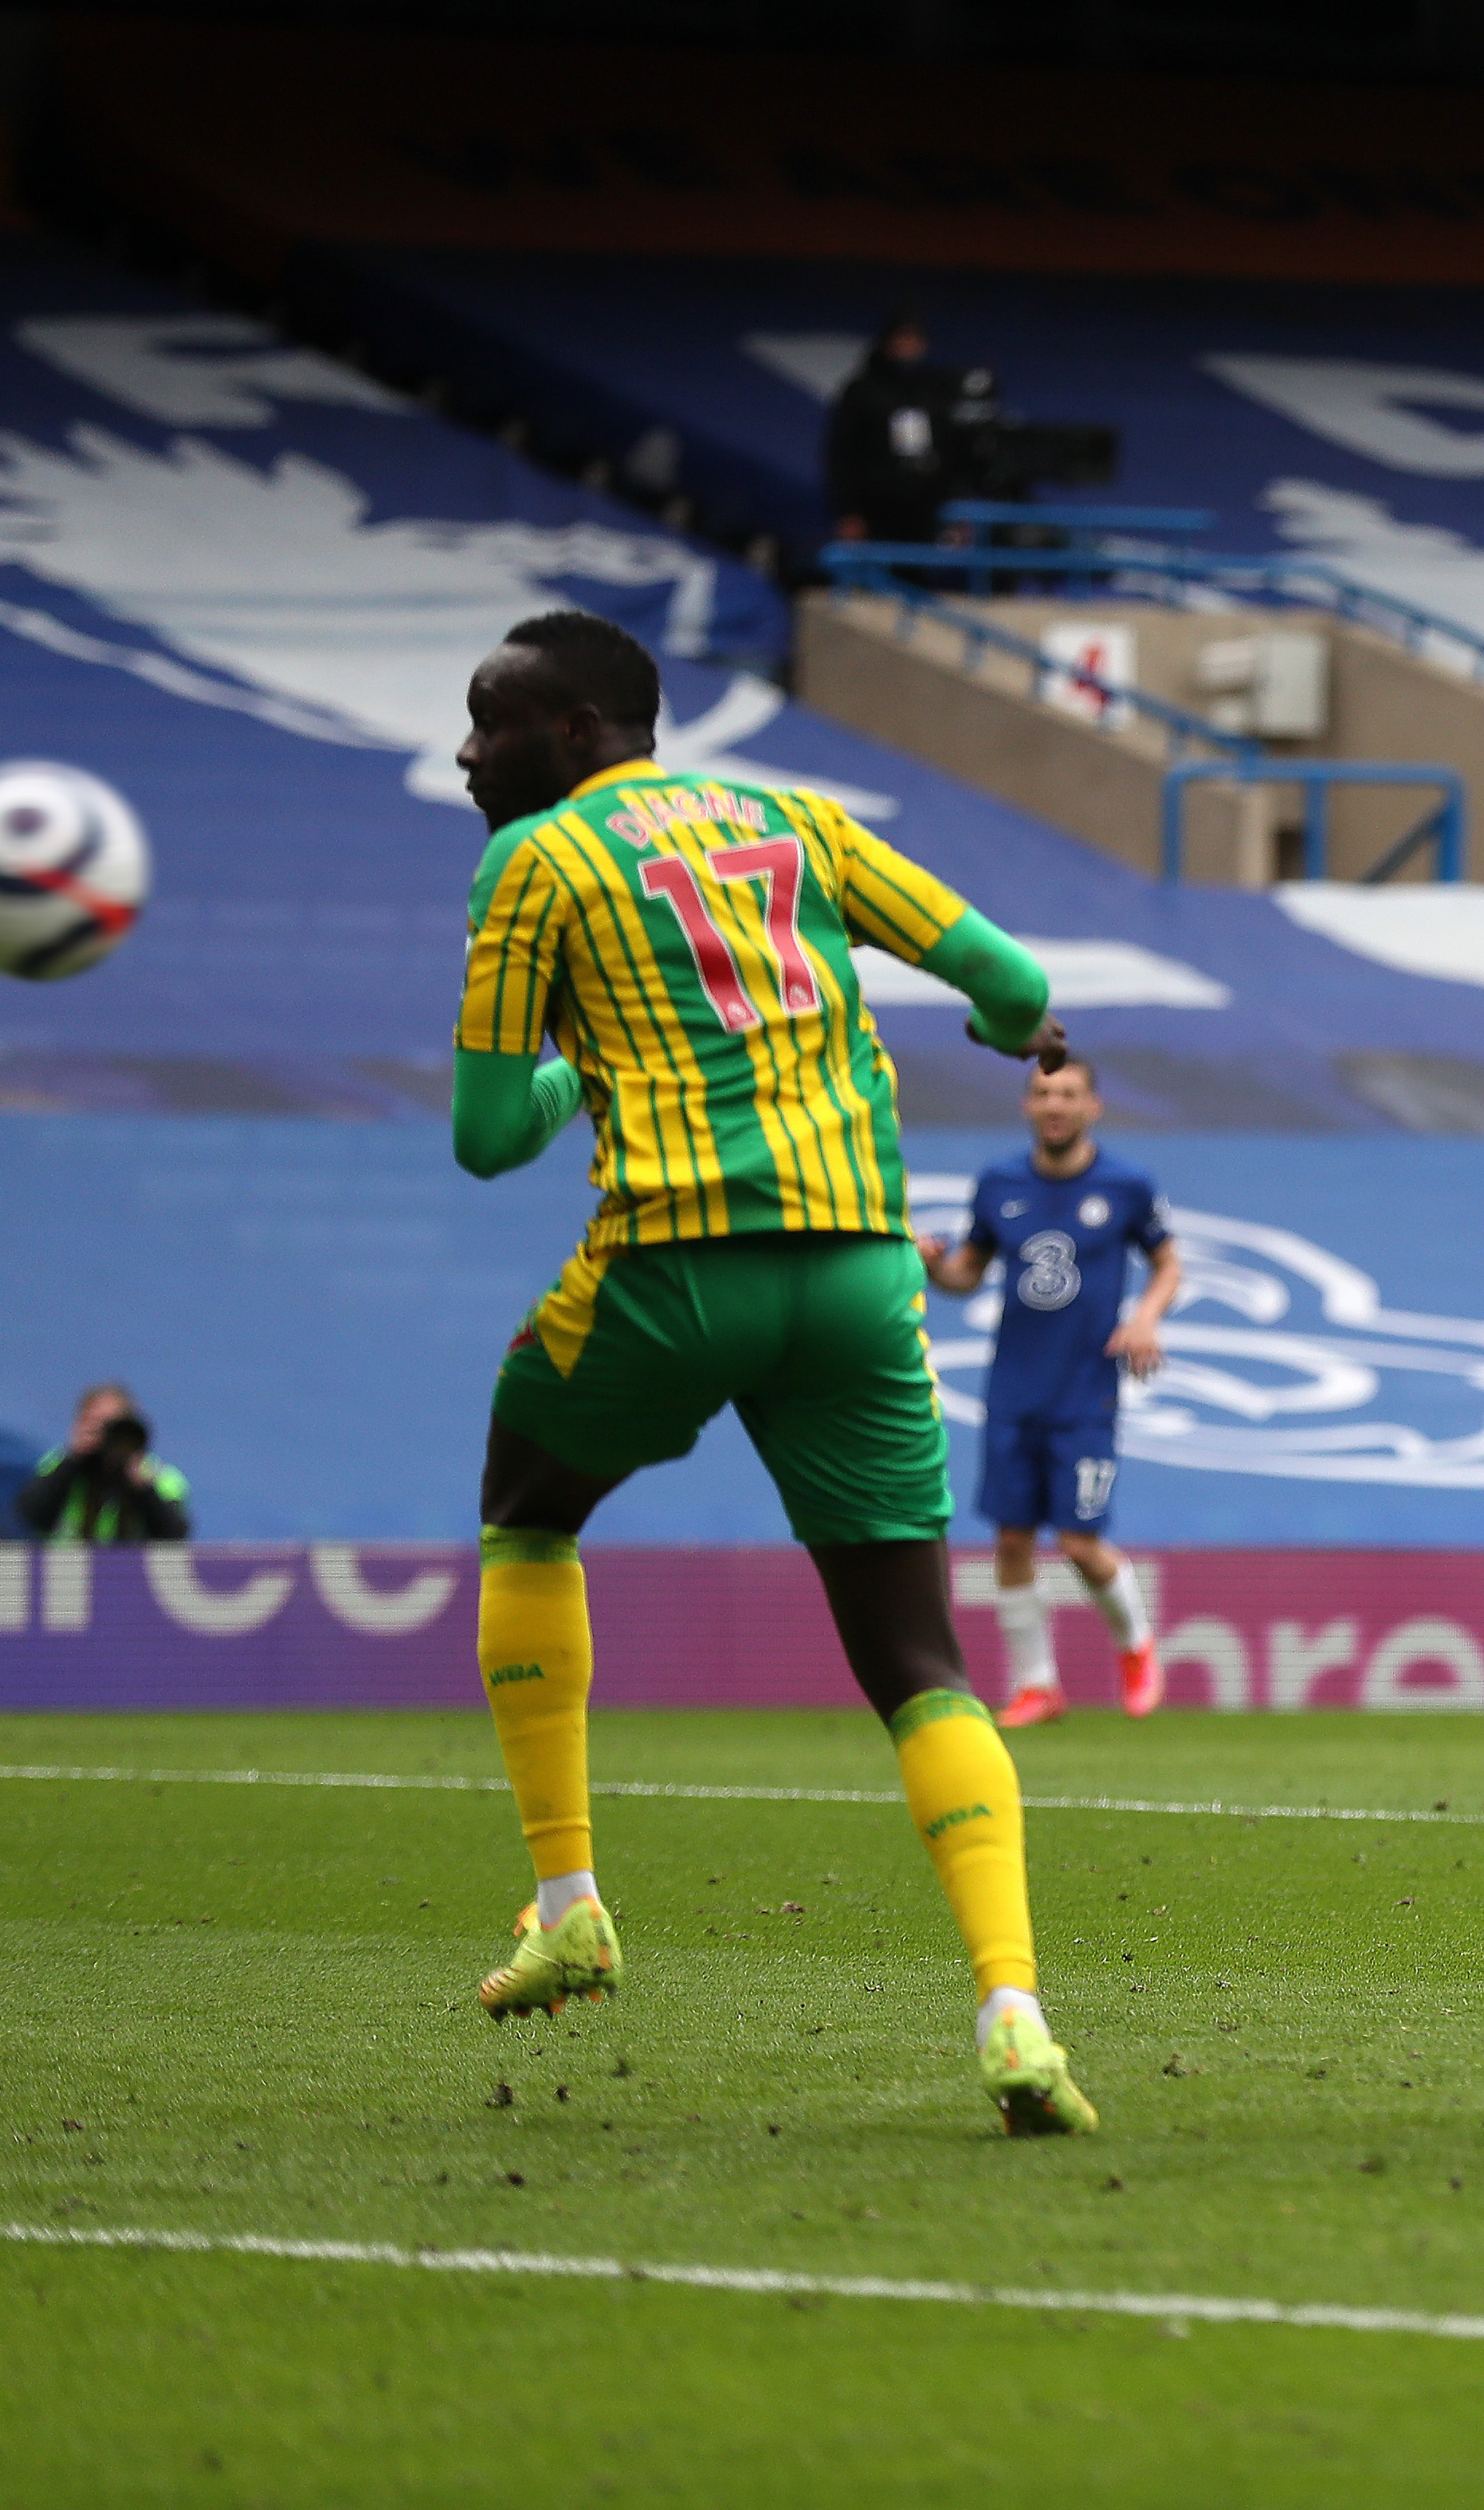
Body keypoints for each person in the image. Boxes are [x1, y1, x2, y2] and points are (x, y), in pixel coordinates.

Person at [447, 606, 1097, 2135]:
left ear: (578, 729)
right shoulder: (805, 819)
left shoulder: (533, 860)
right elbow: (1008, 985)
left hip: (676, 1261)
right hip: (864, 1277)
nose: (470, 753)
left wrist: (574, 1072)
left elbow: (486, 1139)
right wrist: (1014, 1025)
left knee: (526, 1508)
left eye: (491, 725)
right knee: (918, 1659)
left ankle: (569, 1898)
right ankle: (1014, 2006)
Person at [918, 1056, 1181, 1727]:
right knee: (1010, 1540)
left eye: (1068, 1093)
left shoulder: (1125, 1185)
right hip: (1012, 1390)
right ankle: (1038, 1685)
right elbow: (965, 1274)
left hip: (1085, 1393)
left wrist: (1145, 1316)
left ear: (1093, 1106)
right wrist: (933, 1265)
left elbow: (1167, 1260)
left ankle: (1136, 1646)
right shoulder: (999, 1183)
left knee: (1078, 1543)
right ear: (1026, 1106)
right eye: (1042, 1093)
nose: (1054, 1103)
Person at [823, 310, 955, 548]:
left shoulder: (934, 391)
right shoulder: (862, 391)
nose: (909, 346)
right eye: (903, 338)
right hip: (875, 509)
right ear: (888, 341)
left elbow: (951, 450)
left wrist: (953, 508)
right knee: (874, 576)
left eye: (915, 338)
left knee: (916, 574)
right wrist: (849, 511)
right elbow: (841, 454)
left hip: (923, 509)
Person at [14, 1382, 189, 1542]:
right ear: (80, 1424)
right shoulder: (57, 1464)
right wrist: (72, 1461)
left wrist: (143, 1488)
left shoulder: (160, 1477)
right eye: (96, 1424)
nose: (105, 1436)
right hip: (66, 1571)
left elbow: (173, 1536)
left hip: (132, 1574)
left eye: (113, 1426)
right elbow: (32, 1517)